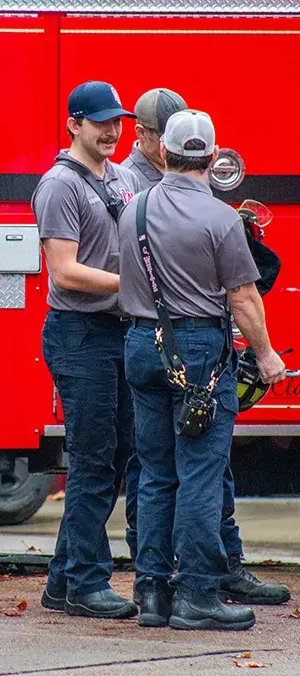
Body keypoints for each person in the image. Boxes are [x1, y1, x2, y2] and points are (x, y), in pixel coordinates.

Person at [121, 89, 290, 607]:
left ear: (166, 154)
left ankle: (151, 591)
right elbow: (242, 297)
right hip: (197, 351)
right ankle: (197, 594)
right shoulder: (220, 219)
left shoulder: (135, 210)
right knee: (200, 474)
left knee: (154, 474)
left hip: (141, 345)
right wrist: (266, 356)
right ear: (213, 158)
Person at [33, 81, 139, 620]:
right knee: (94, 463)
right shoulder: (58, 185)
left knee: (113, 460)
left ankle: (61, 583)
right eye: (100, 121)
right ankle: (86, 585)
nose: (113, 130)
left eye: (117, 120)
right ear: (73, 123)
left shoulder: (121, 178)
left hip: (117, 333)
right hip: (80, 333)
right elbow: (65, 271)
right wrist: (134, 287)